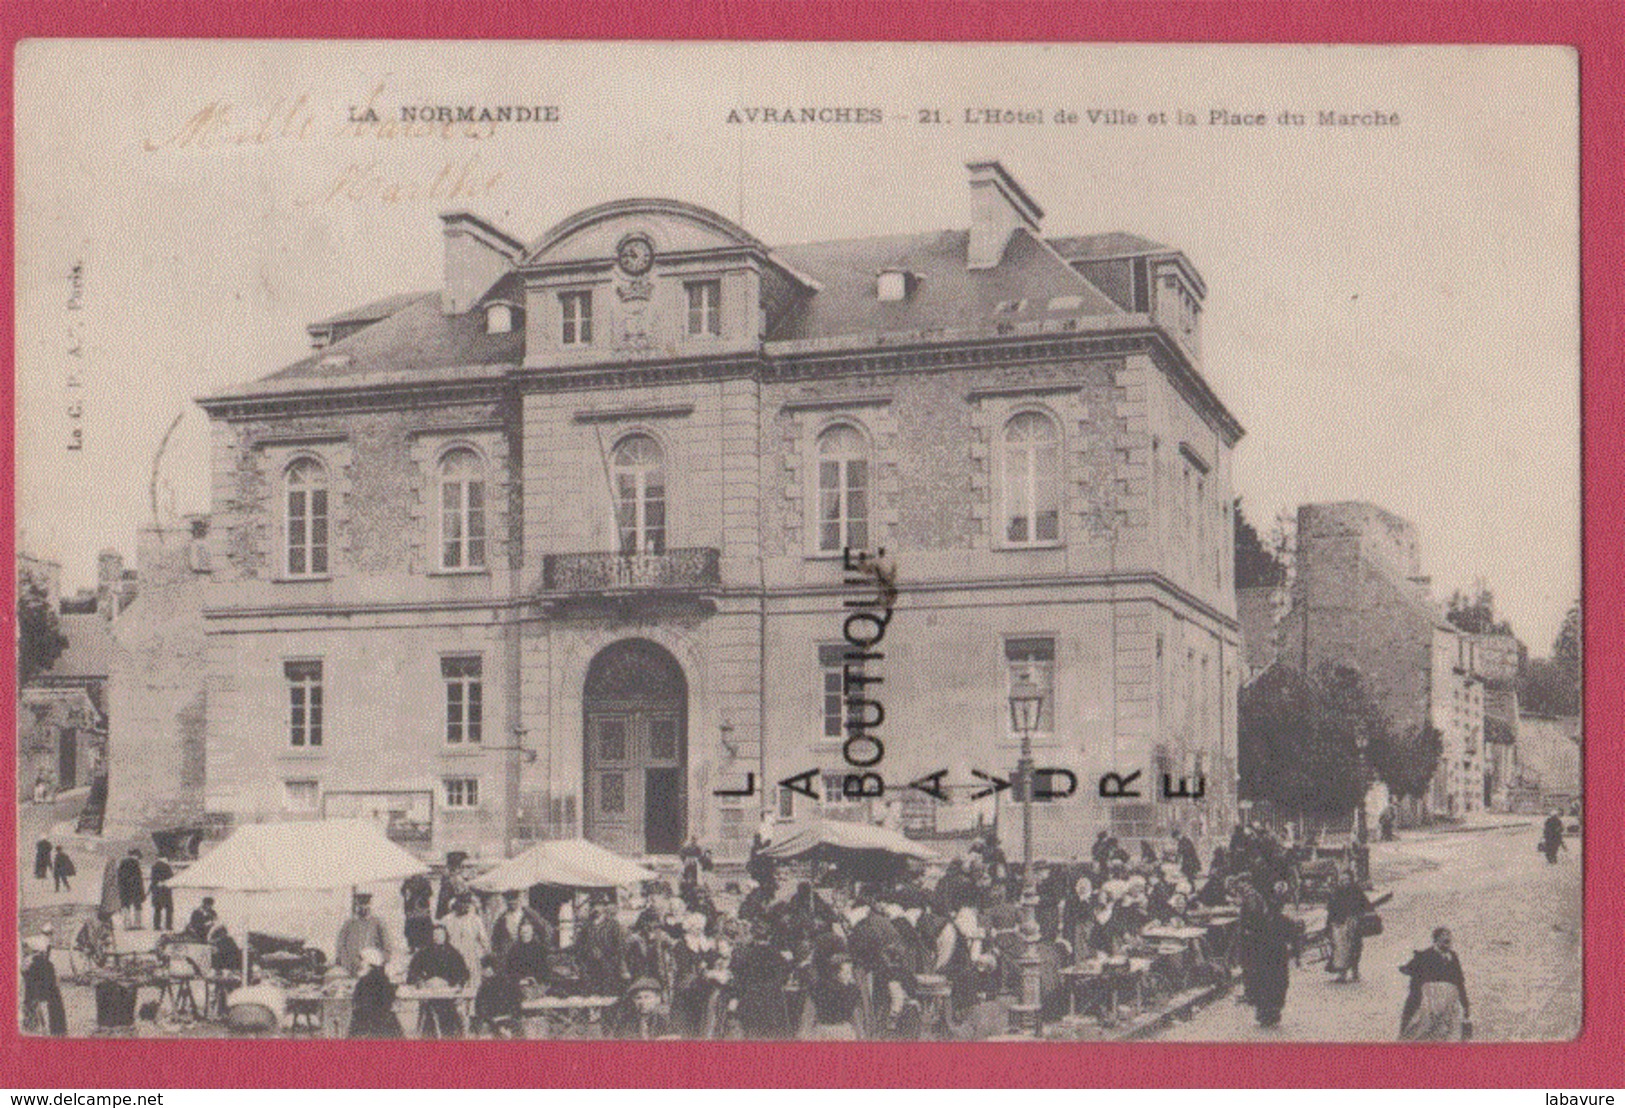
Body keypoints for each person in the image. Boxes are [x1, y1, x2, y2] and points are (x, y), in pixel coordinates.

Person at [1240, 888, 1299, 1027]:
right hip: (1276, 958)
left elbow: (1251, 938)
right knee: (1276, 985)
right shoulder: (1283, 921)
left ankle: (1265, 1013)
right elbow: (1294, 938)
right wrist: (1296, 955)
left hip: (1266, 958)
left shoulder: (1262, 921)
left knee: (1266, 985)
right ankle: (1271, 1012)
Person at [1400, 927, 1470, 1040]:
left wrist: (1465, 1005)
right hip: (1429, 1005)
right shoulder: (1424, 955)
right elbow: (1409, 970)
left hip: (1448, 1005)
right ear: (1436, 940)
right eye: (1444, 937)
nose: (1448, 940)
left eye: (1449, 937)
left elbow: (1459, 982)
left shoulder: (1453, 957)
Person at [406, 924, 470, 1038]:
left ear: (445, 936)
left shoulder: (453, 953)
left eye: (440, 935)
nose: (437, 937)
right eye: (435, 935)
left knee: (451, 1021)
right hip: (429, 994)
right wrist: (421, 982)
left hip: (448, 996)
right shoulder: (423, 953)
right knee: (429, 1021)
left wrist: (455, 985)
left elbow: (463, 974)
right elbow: (412, 972)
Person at [1325, 870, 1373, 983]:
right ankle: (1342, 973)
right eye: (1342, 880)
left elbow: (1365, 905)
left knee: (1354, 948)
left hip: (1353, 923)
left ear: (1351, 880)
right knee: (1340, 949)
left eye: (1346, 879)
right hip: (1339, 923)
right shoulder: (1336, 892)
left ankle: (1355, 971)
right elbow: (1331, 908)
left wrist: (1359, 918)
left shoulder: (1356, 891)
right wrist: (1329, 924)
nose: (1344, 882)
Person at [349, 947, 403, 1038]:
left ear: (368, 963)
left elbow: (356, 1000)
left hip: (365, 1022)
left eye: (362, 961)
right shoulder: (385, 979)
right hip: (387, 1021)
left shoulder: (364, 980)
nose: (360, 964)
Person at [334, 892, 392, 976]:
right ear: (357, 906)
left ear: (370, 906)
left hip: (373, 966)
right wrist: (346, 961)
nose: (363, 909)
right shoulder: (349, 924)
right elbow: (341, 944)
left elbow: (386, 944)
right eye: (360, 906)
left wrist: (382, 960)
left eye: (366, 906)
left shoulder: (377, 923)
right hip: (352, 967)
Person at [21, 935, 67, 1036]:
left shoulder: (28, 962)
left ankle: (32, 1026)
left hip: (34, 993)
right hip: (44, 993)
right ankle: (57, 1030)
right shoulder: (46, 964)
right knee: (55, 999)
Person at [489, 888, 549, 965]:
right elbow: (495, 939)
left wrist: (540, 950)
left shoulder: (530, 915)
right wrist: (498, 955)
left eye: (515, 898)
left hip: (528, 956)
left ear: (520, 898)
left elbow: (545, 930)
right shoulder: (502, 919)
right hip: (509, 960)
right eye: (509, 899)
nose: (512, 902)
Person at [471, 955, 524, 1039]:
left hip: (503, 1021)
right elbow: (479, 1006)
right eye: (482, 969)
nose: (482, 972)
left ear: (491, 968)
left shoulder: (488, 984)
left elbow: (479, 1007)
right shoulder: (486, 984)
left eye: (484, 969)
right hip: (499, 1021)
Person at [443, 894, 490, 983]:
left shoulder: (475, 919)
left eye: (466, 903)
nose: (463, 906)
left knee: (473, 981)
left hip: (472, 956)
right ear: (456, 904)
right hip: (453, 956)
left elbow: (484, 941)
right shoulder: (447, 919)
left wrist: (486, 960)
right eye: (461, 903)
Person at [502, 918, 552, 988]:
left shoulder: (540, 949)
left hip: (536, 985)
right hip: (518, 985)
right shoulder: (514, 950)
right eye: (522, 932)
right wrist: (518, 980)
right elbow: (509, 969)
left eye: (527, 932)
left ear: (532, 932)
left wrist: (533, 979)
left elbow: (544, 970)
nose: (524, 935)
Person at [400, 871, 435, 953]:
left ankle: (424, 946)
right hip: (411, 909)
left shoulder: (425, 881)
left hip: (422, 909)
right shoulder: (408, 882)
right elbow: (403, 892)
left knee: (423, 927)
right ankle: (412, 946)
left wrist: (421, 895)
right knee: (411, 928)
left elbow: (429, 893)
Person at [116, 848, 146, 929]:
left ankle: (127, 924)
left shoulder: (122, 863)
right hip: (135, 889)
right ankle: (137, 924)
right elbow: (138, 879)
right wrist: (142, 892)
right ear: (136, 856)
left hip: (124, 889)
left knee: (126, 906)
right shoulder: (135, 863)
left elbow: (119, 877)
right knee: (137, 906)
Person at [149, 856, 175, 931]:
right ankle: (168, 925)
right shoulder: (167, 866)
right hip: (166, 890)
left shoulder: (154, 867)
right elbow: (171, 877)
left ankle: (156, 925)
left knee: (157, 909)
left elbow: (153, 879)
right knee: (169, 909)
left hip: (156, 890)